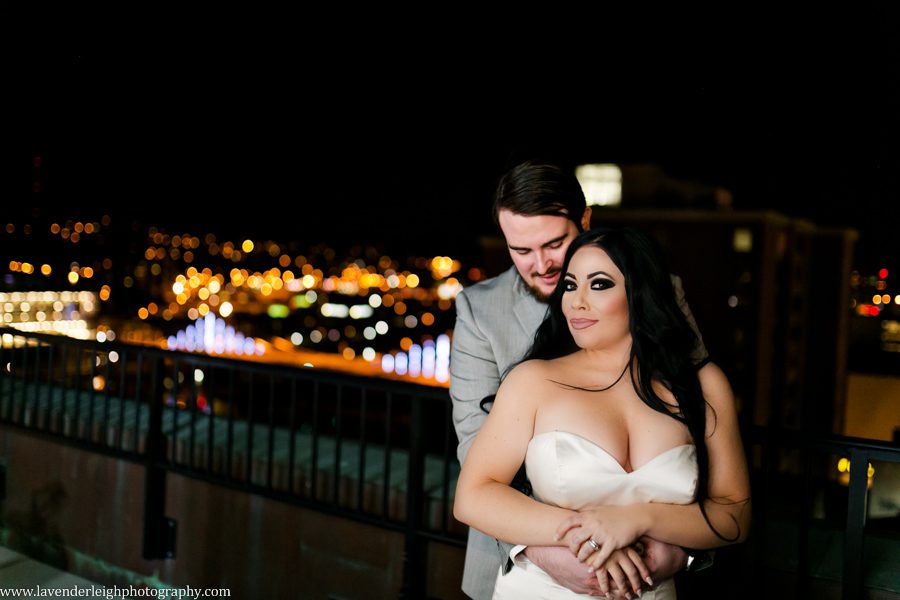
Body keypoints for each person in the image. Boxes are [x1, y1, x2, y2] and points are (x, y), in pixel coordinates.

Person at [450, 161, 710, 599]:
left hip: (648, 562)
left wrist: (678, 551)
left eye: (555, 243)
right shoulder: (479, 311)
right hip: (524, 566)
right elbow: (477, 451)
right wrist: (549, 549)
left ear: (585, 220)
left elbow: (697, 422)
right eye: (521, 250)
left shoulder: (658, 290)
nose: (542, 265)